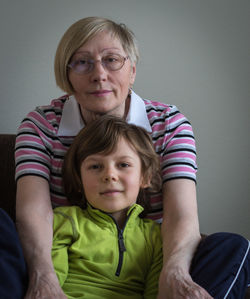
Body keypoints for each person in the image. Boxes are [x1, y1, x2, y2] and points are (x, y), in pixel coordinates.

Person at [14, 16, 249, 298]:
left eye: (112, 60)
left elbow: (181, 212)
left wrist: (174, 273)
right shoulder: (40, 124)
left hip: (153, 259)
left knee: (232, 247)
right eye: (82, 62)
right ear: (66, 74)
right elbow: (33, 211)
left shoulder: (170, 123)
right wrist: (44, 280)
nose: (99, 74)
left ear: (133, 70)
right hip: (64, 269)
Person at [52, 115, 163, 298]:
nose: (110, 175)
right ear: (79, 180)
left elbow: (157, 293)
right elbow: (50, 287)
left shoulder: (156, 237)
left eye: (123, 165)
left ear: (145, 177)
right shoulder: (65, 221)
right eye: (95, 166)